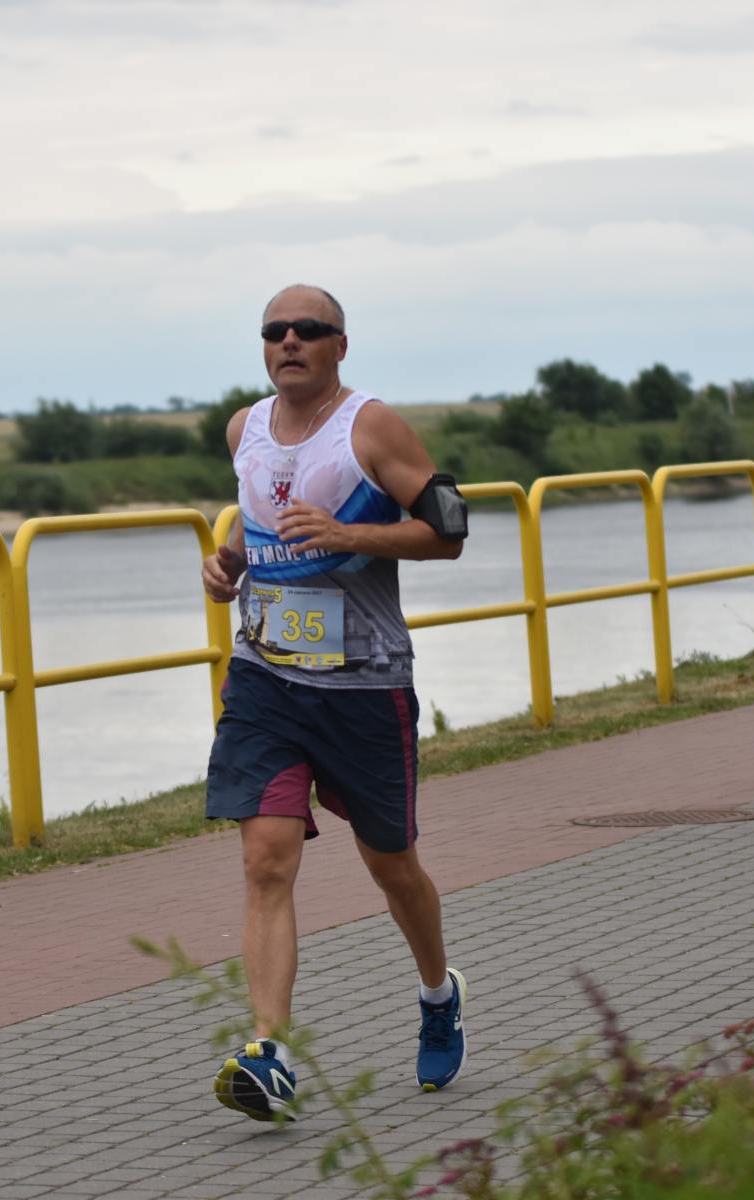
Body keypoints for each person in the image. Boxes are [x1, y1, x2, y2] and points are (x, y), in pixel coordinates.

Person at [200, 284, 471, 1121]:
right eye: (275, 330)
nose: (290, 341)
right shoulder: (244, 429)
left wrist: (353, 534)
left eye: (309, 330)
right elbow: (258, 520)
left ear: (339, 346)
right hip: (265, 680)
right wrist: (227, 561)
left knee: (391, 865)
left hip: (363, 686)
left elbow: (450, 529)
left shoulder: (369, 427)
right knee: (266, 858)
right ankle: (270, 1053)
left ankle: (438, 993)